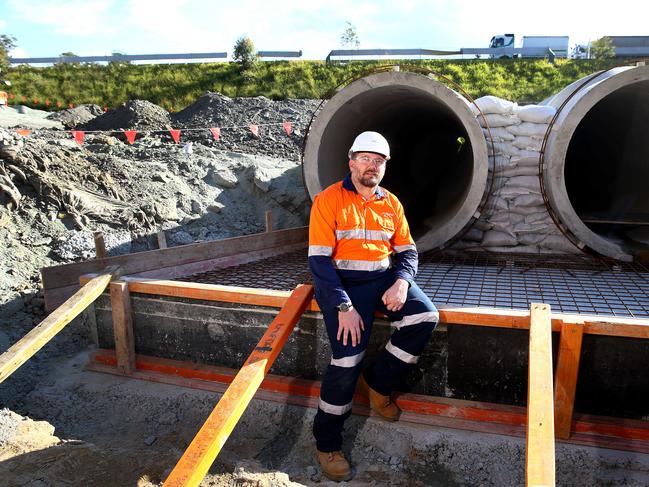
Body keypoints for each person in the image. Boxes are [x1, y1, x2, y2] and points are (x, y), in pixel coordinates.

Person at [308, 131, 439, 481]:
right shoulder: (328, 200)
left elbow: (407, 251)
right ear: (351, 161)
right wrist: (342, 306)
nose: (372, 165)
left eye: (378, 161)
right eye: (365, 158)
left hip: (383, 279)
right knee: (348, 357)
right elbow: (320, 263)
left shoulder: (391, 203)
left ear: (385, 166)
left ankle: (378, 384)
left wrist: (401, 282)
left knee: (425, 316)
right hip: (343, 286)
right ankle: (327, 443)